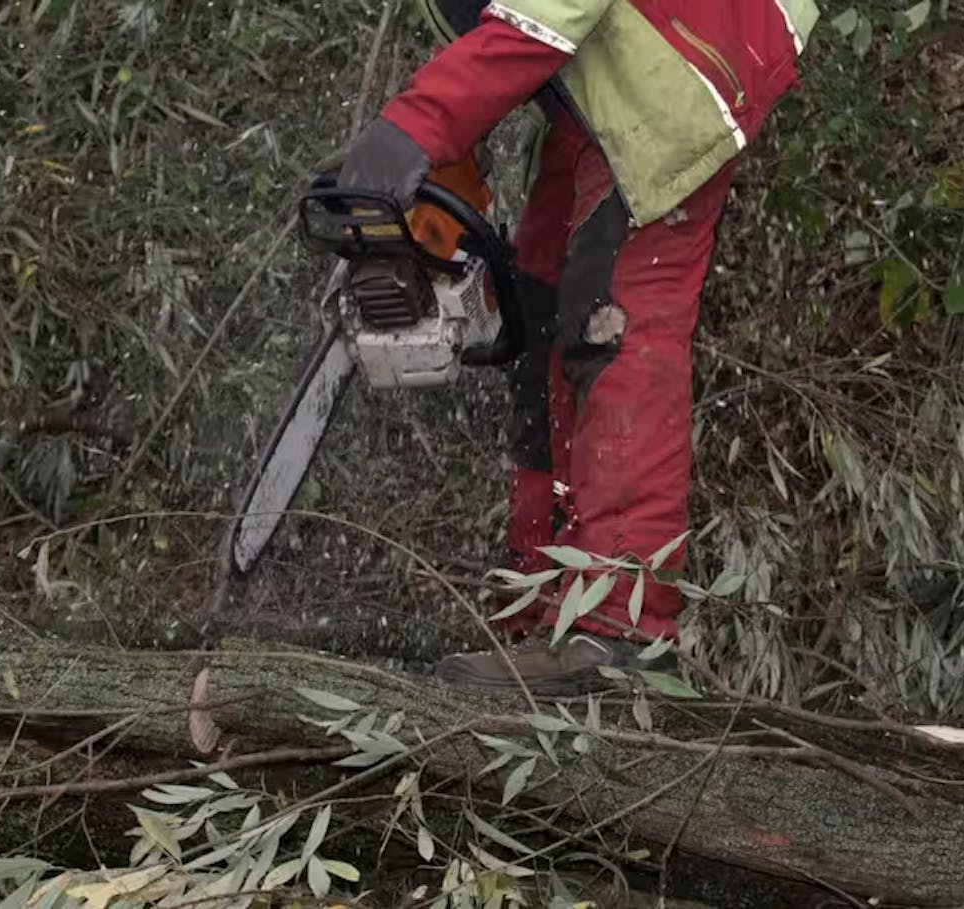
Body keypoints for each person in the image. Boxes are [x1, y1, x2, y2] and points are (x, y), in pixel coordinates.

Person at [338, 0, 819, 696]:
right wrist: (439, 155)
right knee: (538, 310)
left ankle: (619, 626)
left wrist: (417, 126)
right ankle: (542, 605)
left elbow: (550, 10)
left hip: (687, 53)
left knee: (613, 320)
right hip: (611, 75)